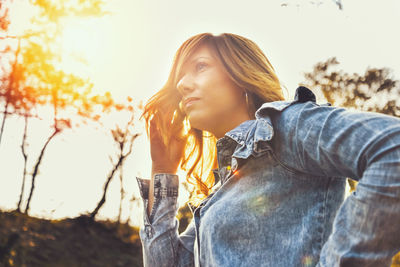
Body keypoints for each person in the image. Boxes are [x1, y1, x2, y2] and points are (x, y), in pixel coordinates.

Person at [136, 32, 400, 267]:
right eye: (180, 76)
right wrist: (162, 170)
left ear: (241, 75)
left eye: (200, 66)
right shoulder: (217, 198)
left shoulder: (287, 126)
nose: (182, 84)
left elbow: (392, 146)